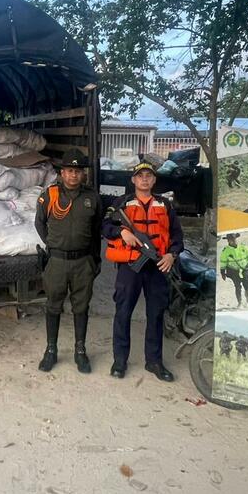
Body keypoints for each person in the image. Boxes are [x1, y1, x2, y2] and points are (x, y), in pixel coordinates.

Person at [102, 161, 183, 381]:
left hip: (158, 266)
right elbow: (105, 227)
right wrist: (121, 233)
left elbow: (177, 237)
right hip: (130, 267)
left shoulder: (165, 205)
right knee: (123, 313)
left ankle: (154, 362)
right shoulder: (122, 203)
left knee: (155, 315)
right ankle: (119, 360)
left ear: (154, 180)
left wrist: (171, 255)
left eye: (149, 175)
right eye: (140, 176)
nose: (144, 179)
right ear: (133, 180)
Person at [34, 148, 102, 374]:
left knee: (81, 307)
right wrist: (53, 244)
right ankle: (51, 350)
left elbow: (96, 230)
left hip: (83, 261)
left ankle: (80, 351)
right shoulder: (49, 195)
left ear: (84, 174)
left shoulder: (92, 197)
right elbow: (39, 224)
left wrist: (95, 260)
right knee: (53, 305)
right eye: (69, 171)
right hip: (57, 262)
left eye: (78, 171)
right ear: (62, 172)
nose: (73, 175)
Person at [219, 233, 248, 307]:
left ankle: (247, 295)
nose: (233, 241)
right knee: (237, 287)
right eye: (231, 240)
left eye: (234, 239)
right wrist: (222, 273)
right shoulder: (225, 251)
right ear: (228, 241)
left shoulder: (243, 247)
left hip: (245, 269)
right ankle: (240, 302)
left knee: (247, 285)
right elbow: (223, 262)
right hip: (233, 271)